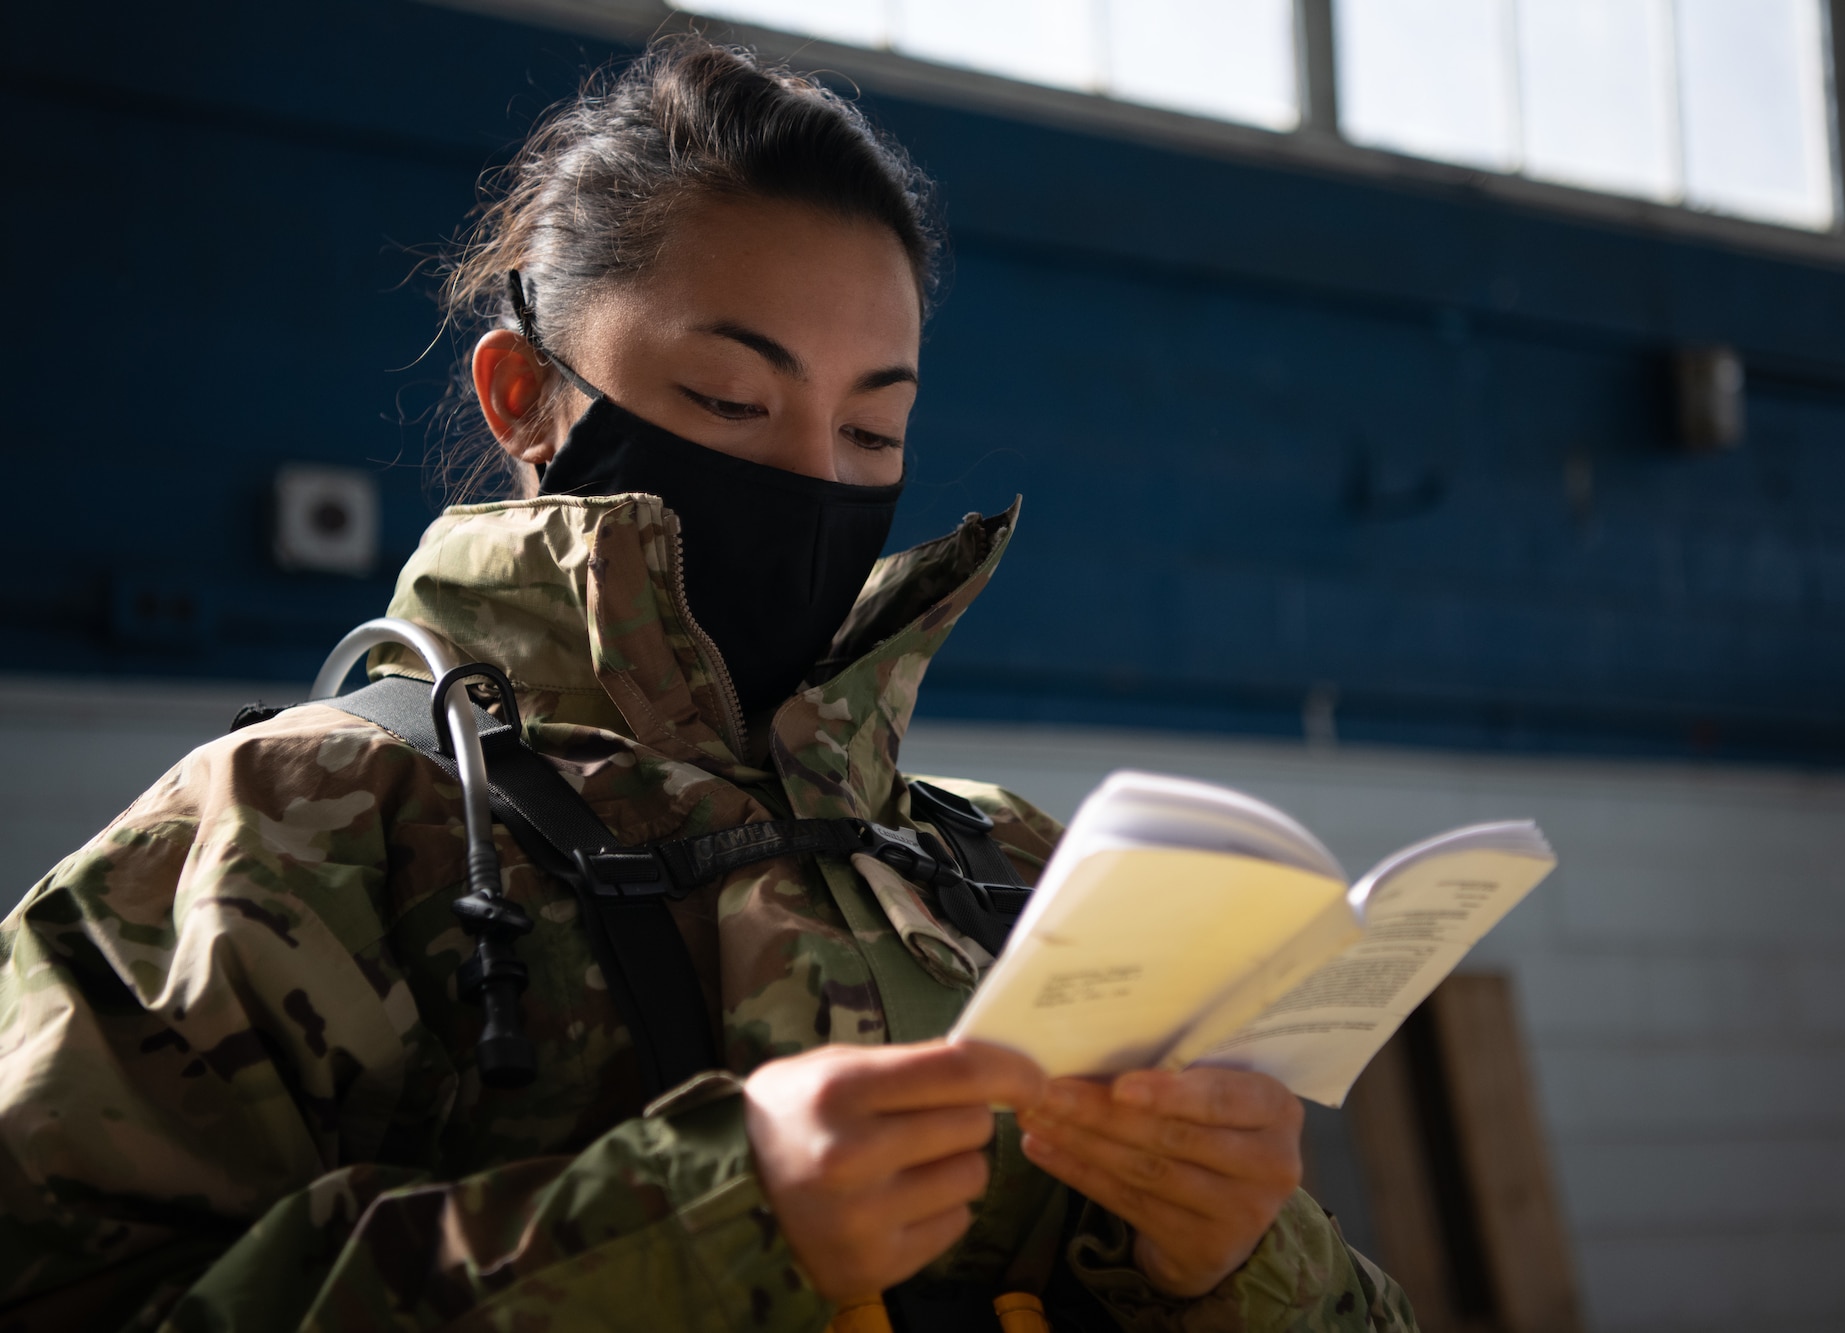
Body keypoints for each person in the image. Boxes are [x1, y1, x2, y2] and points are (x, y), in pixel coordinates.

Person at [0, 35, 1417, 1333]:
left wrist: (1238, 1255)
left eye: (875, 428)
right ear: (523, 397)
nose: (812, 477)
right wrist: (700, 1224)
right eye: (733, 403)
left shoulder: (1014, 874)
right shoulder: (288, 832)